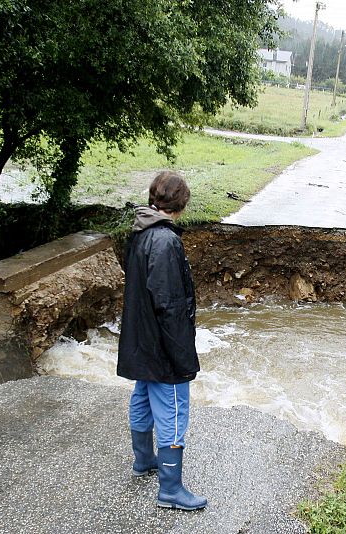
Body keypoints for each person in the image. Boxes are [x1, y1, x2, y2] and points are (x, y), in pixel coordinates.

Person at [117, 171, 207, 511]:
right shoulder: (166, 241)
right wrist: (182, 358)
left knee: (142, 396)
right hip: (162, 346)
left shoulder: (141, 231)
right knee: (172, 409)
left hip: (142, 339)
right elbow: (169, 304)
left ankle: (144, 461)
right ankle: (170, 489)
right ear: (181, 204)